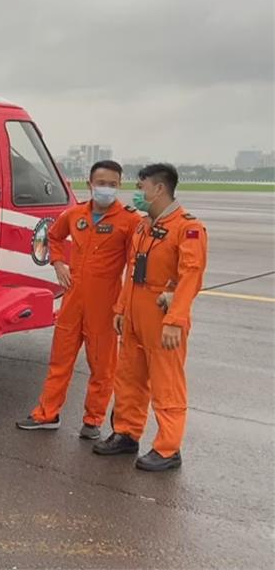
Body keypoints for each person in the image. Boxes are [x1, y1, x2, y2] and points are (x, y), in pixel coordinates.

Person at [94, 163, 207, 471]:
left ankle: (168, 449)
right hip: (134, 314)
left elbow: (190, 277)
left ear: (159, 189)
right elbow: (132, 271)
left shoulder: (188, 227)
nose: (137, 193)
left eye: (141, 187)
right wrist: (120, 309)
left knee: (166, 383)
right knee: (129, 378)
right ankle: (126, 433)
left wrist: (175, 320)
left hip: (162, 316)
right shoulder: (144, 226)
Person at [16, 160, 140, 440]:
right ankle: (46, 414)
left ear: (119, 185)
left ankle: (92, 421)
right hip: (73, 300)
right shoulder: (74, 215)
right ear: (90, 183)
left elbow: (135, 264)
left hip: (105, 304)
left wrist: (124, 305)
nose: (106, 188)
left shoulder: (129, 221)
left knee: (102, 367)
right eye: (101, 183)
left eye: (111, 184)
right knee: (60, 360)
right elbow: (53, 236)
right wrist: (58, 263)